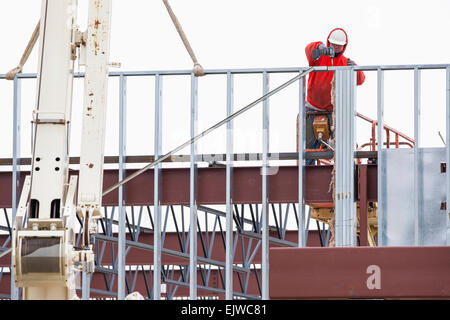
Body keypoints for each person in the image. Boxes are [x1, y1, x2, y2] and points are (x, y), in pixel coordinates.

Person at [302, 27, 365, 164]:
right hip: (312, 108)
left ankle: (341, 170)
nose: (335, 47)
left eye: (339, 45)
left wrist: (355, 68)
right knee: (309, 148)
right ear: (328, 43)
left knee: (340, 145)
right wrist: (319, 46)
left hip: (334, 111)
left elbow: (360, 80)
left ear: (344, 46)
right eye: (333, 44)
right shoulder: (318, 57)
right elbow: (308, 50)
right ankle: (307, 172)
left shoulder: (345, 62)